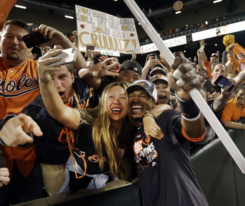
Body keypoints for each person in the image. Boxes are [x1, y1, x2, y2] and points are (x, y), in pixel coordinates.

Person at [37, 49, 168, 192]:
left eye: (123, 97)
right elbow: (59, 112)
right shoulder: (90, 118)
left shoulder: (132, 122)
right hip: (80, 179)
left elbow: (164, 107)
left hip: (109, 178)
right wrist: (44, 80)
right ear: (104, 101)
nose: (116, 102)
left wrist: (148, 116)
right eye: (111, 97)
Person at [0, 19, 86, 205]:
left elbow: (81, 68)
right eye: (8, 36)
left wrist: (62, 39)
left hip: (30, 159)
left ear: (31, 47)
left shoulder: (41, 68)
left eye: (21, 39)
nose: (14, 42)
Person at [127, 56, 209, 206]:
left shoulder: (166, 118)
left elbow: (193, 132)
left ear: (153, 102)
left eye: (143, 96)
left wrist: (186, 101)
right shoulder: (133, 135)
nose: (136, 99)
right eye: (131, 96)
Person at [21, 62, 95, 196]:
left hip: (83, 157)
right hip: (54, 164)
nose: (57, 85)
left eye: (62, 77)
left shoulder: (80, 87)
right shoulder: (39, 110)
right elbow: (27, 118)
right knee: (59, 199)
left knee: (88, 195)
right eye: (50, 79)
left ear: (72, 78)